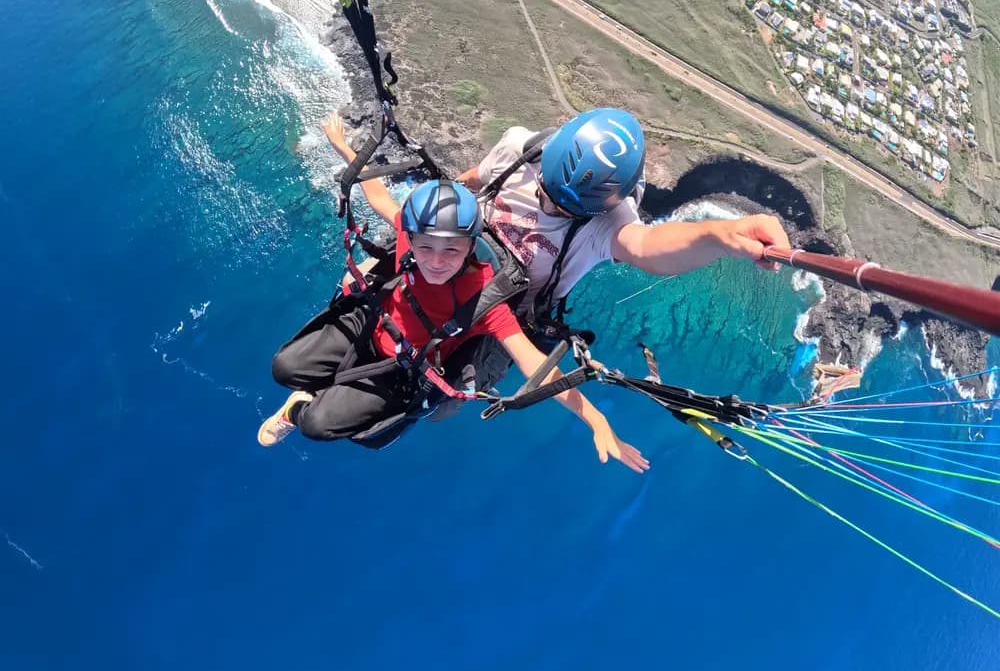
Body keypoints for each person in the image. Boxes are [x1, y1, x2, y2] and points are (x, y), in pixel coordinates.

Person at [257, 114, 649, 473]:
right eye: (425, 248)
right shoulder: (414, 236)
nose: (436, 261)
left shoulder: (486, 297)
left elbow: (536, 366)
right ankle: (308, 389)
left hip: (402, 369)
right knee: (284, 368)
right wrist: (344, 148)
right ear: (413, 237)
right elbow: (379, 197)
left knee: (314, 423)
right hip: (372, 326)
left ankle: (295, 412)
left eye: (451, 251)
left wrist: (596, 420)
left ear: (470, 245)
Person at [455, 107, 793, 319]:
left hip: (500, 313)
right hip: (456, 254)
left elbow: (647, 247)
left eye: (564, 211)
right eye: (545, 196)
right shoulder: (522, 150)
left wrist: (716, 235)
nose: (549, 209)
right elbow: (480, 177)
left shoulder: (608, 222)